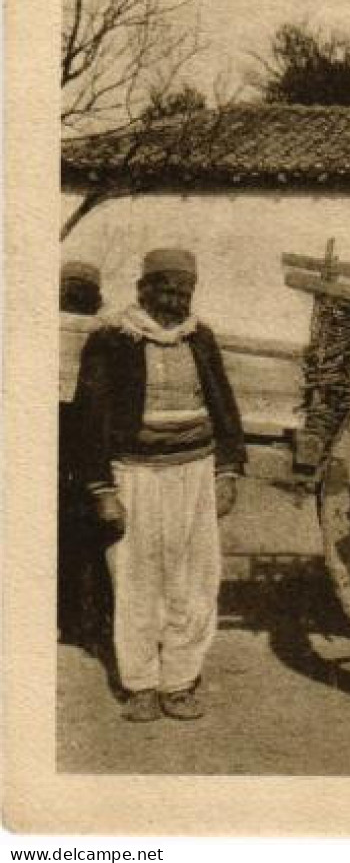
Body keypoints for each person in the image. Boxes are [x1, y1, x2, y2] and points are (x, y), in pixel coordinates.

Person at [73, 249, 245, 722]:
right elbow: (89, 420)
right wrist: (102, 489)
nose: (176, 298)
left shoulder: (200, 338)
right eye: (167, 288)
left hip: (195, 473)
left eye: (185, 290)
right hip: (134, 476)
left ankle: (180, 682)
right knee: (135, 579)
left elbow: (223, 407)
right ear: (143, 289)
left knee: (194, 581)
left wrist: (227, 472)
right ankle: (141, 685)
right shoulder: (114, 339)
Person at [59, 261, 111, 651]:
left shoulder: (105, 334)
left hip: (83, 447)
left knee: (83, 534)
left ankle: (84, 620)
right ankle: (82, 620)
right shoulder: (104, 330)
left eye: (78, 289)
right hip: (75, 447)